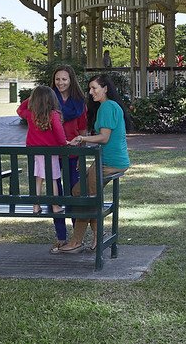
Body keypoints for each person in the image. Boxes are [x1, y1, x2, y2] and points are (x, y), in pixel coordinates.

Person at [59, 74, 130, 253]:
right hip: (108, 160)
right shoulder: (109, 106)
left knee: (85, 196)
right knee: (79, 191)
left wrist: (82, 138)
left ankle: (76, 241)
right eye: (90, 89)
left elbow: (104, 138)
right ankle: (99, 236)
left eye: (94, 88)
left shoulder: (107, 107)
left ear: (105, 88)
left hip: (110, 162)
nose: (90, 92)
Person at [49, 65, 87, 252]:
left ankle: (76, 238)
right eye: (57, 79)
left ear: (71, 80)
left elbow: (82, 130)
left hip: (73, 153)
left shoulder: (79, 103)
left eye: (64, 79)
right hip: (53, 153)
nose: (61, 82)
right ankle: (61, 237)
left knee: (74, 194)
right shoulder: (48, 100)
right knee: (55, 195)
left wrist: (82, 153)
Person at [17, 86, 67, 215]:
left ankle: (36, 206)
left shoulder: (30, 114)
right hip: (50, 152)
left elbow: (19, 110)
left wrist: (31, 98)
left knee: (38, 178)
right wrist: (64, 143)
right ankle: (55, 206)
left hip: (34, 152)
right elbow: (59, 132)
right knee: (53, 178)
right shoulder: (53, 114)